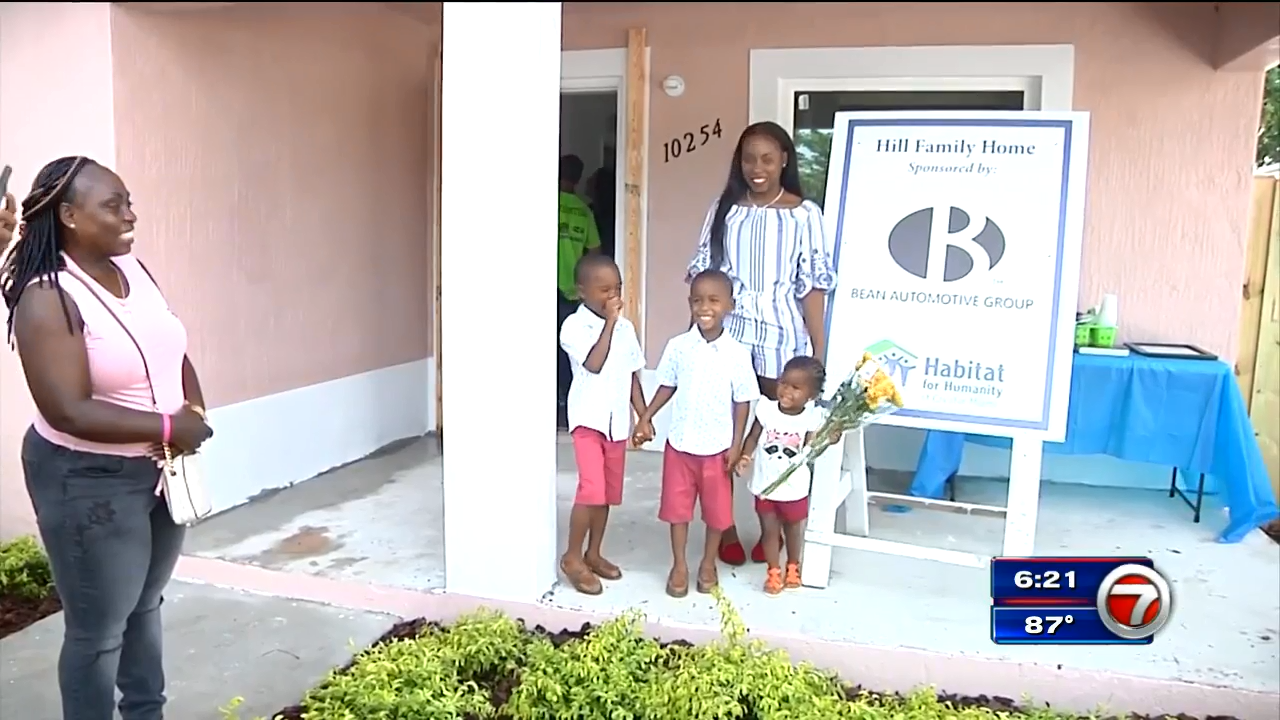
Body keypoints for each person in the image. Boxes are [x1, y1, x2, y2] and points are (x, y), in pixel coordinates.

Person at [0, 156, 214, 720]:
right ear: (69, 215)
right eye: (112, 205)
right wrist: (172, 427)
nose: (129, 215)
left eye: (128, 202)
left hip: (159, 469)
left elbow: (171, 347)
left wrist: (191, 402)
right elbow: (67, 410)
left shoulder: (134, 271)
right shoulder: (46, 295)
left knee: (144, 605)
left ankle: (146, 712)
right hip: (86, 480)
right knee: (98, 632)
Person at [686, 121, 837, 567]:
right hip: (727, 334)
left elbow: (813, 287)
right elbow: (702, 277)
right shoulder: (724, 209)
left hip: (781, 333)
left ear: (785, 161)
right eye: (749, 158)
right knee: (721, 434)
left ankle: (770, 524)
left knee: (777, 434)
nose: (757, 168)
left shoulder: (804, 213)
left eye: (767, 159)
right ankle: (724, 527)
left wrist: (818, 352)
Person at [635, 269, 759, 597]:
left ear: (730, 306)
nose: (705, 307)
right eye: (697, 300)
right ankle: (679, 565)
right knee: (678, 509)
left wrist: (737, 446)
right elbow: (667, 386)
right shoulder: (679, 347)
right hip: (680, 445)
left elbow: (743, 401)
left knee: (718, 512)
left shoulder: (738, 353)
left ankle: (707, 563)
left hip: (717, 448)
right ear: (689, 304)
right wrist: (645, 417)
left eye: (714, 300)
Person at [558, 253, 648, 595]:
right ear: (582, 291)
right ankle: (571, 557)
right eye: (604, 290)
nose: (613, 297)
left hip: (616, 423)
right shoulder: (574, 327)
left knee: (607, 494)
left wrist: (644, 415)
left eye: (618, 288)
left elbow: (631, 374)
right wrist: (610, 323)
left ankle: (594, 553)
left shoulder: (626, 329)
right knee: (591, 489)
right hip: (588, 420)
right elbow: (594, 364)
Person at [736, 356, 827, 596]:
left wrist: (827, 438)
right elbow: (754, 437)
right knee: (769, 530)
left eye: (796, 388)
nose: (786, 390)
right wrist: (746, 456)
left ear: (811, 396)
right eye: (784, 383)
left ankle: (793, 565)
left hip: (794, 488)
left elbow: (812, 450)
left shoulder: (811, 418)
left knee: (794, 530)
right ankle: (773, 571)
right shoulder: (766, 409)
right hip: (765, 484)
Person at [557, 154, 602, 428]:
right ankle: (567, 397)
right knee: (571, 349)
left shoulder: (545, 200)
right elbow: (595, 252)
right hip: (575, 289)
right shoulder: (584, 211)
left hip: (545, 287)